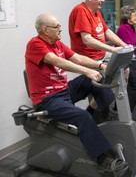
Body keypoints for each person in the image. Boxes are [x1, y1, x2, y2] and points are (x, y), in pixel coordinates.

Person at [25, 13, 129, 177]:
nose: (60, 29)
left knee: (94, 80)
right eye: (57, 27)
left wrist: (100, 66)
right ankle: (102, 160)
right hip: (47, 99)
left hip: (63, 91)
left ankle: (108, 115)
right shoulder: (35, 44)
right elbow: (57, 61)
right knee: (82, 117)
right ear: (45, 30)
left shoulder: (58, 43)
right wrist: (87, 72)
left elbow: (78, 58)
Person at [68, 0, 129, 114]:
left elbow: (107, 32)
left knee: (125, 69)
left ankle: (114, 108)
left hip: (101, 55)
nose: (103, 0)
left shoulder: (96, 12)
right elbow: (87, 40)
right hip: (88, 57)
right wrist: (112, 49)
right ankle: (106, 110)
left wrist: (123, 45)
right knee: (103, 83)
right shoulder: (81, 11)